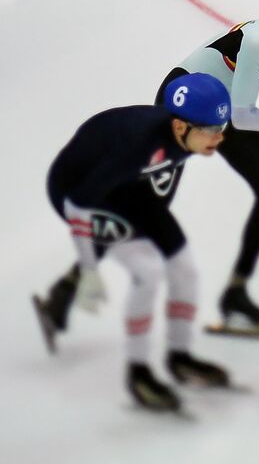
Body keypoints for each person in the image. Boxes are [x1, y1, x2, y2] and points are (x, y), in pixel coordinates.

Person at [36, 0, 259, 340]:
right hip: (185, 103)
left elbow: (240, 110)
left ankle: (236, 292)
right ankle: (68, 287)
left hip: (228, 105)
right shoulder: (258, 42)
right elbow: (244, 116)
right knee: (150, 206)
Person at [33, 73, 235, 413]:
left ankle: (180, 357)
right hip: (74, 190)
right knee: (149, 271)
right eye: (210, 130)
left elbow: (152, 190)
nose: (218, 137)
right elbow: (78, 203)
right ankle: (139, 373)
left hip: (127, 185)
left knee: (184, 268)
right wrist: (88, 269)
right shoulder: (138, 145)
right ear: (180, 128)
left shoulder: (185, 136)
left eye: (221, 128)